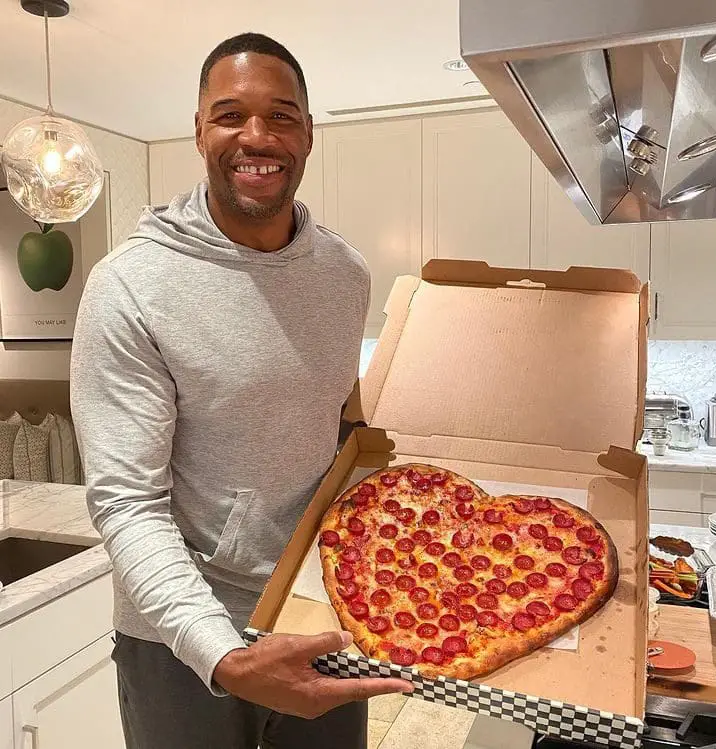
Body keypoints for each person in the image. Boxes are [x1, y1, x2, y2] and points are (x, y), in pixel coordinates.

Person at [70, 32, 412, 749]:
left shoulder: (344, 275)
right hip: (177, 638)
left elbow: (335, 426)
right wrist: (221, 654)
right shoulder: (130, 285)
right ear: (200, 132)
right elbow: (126, 501)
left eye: (281, 116)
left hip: (315, 611)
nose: (257, 137)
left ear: (309, 135)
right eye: (230, 115)